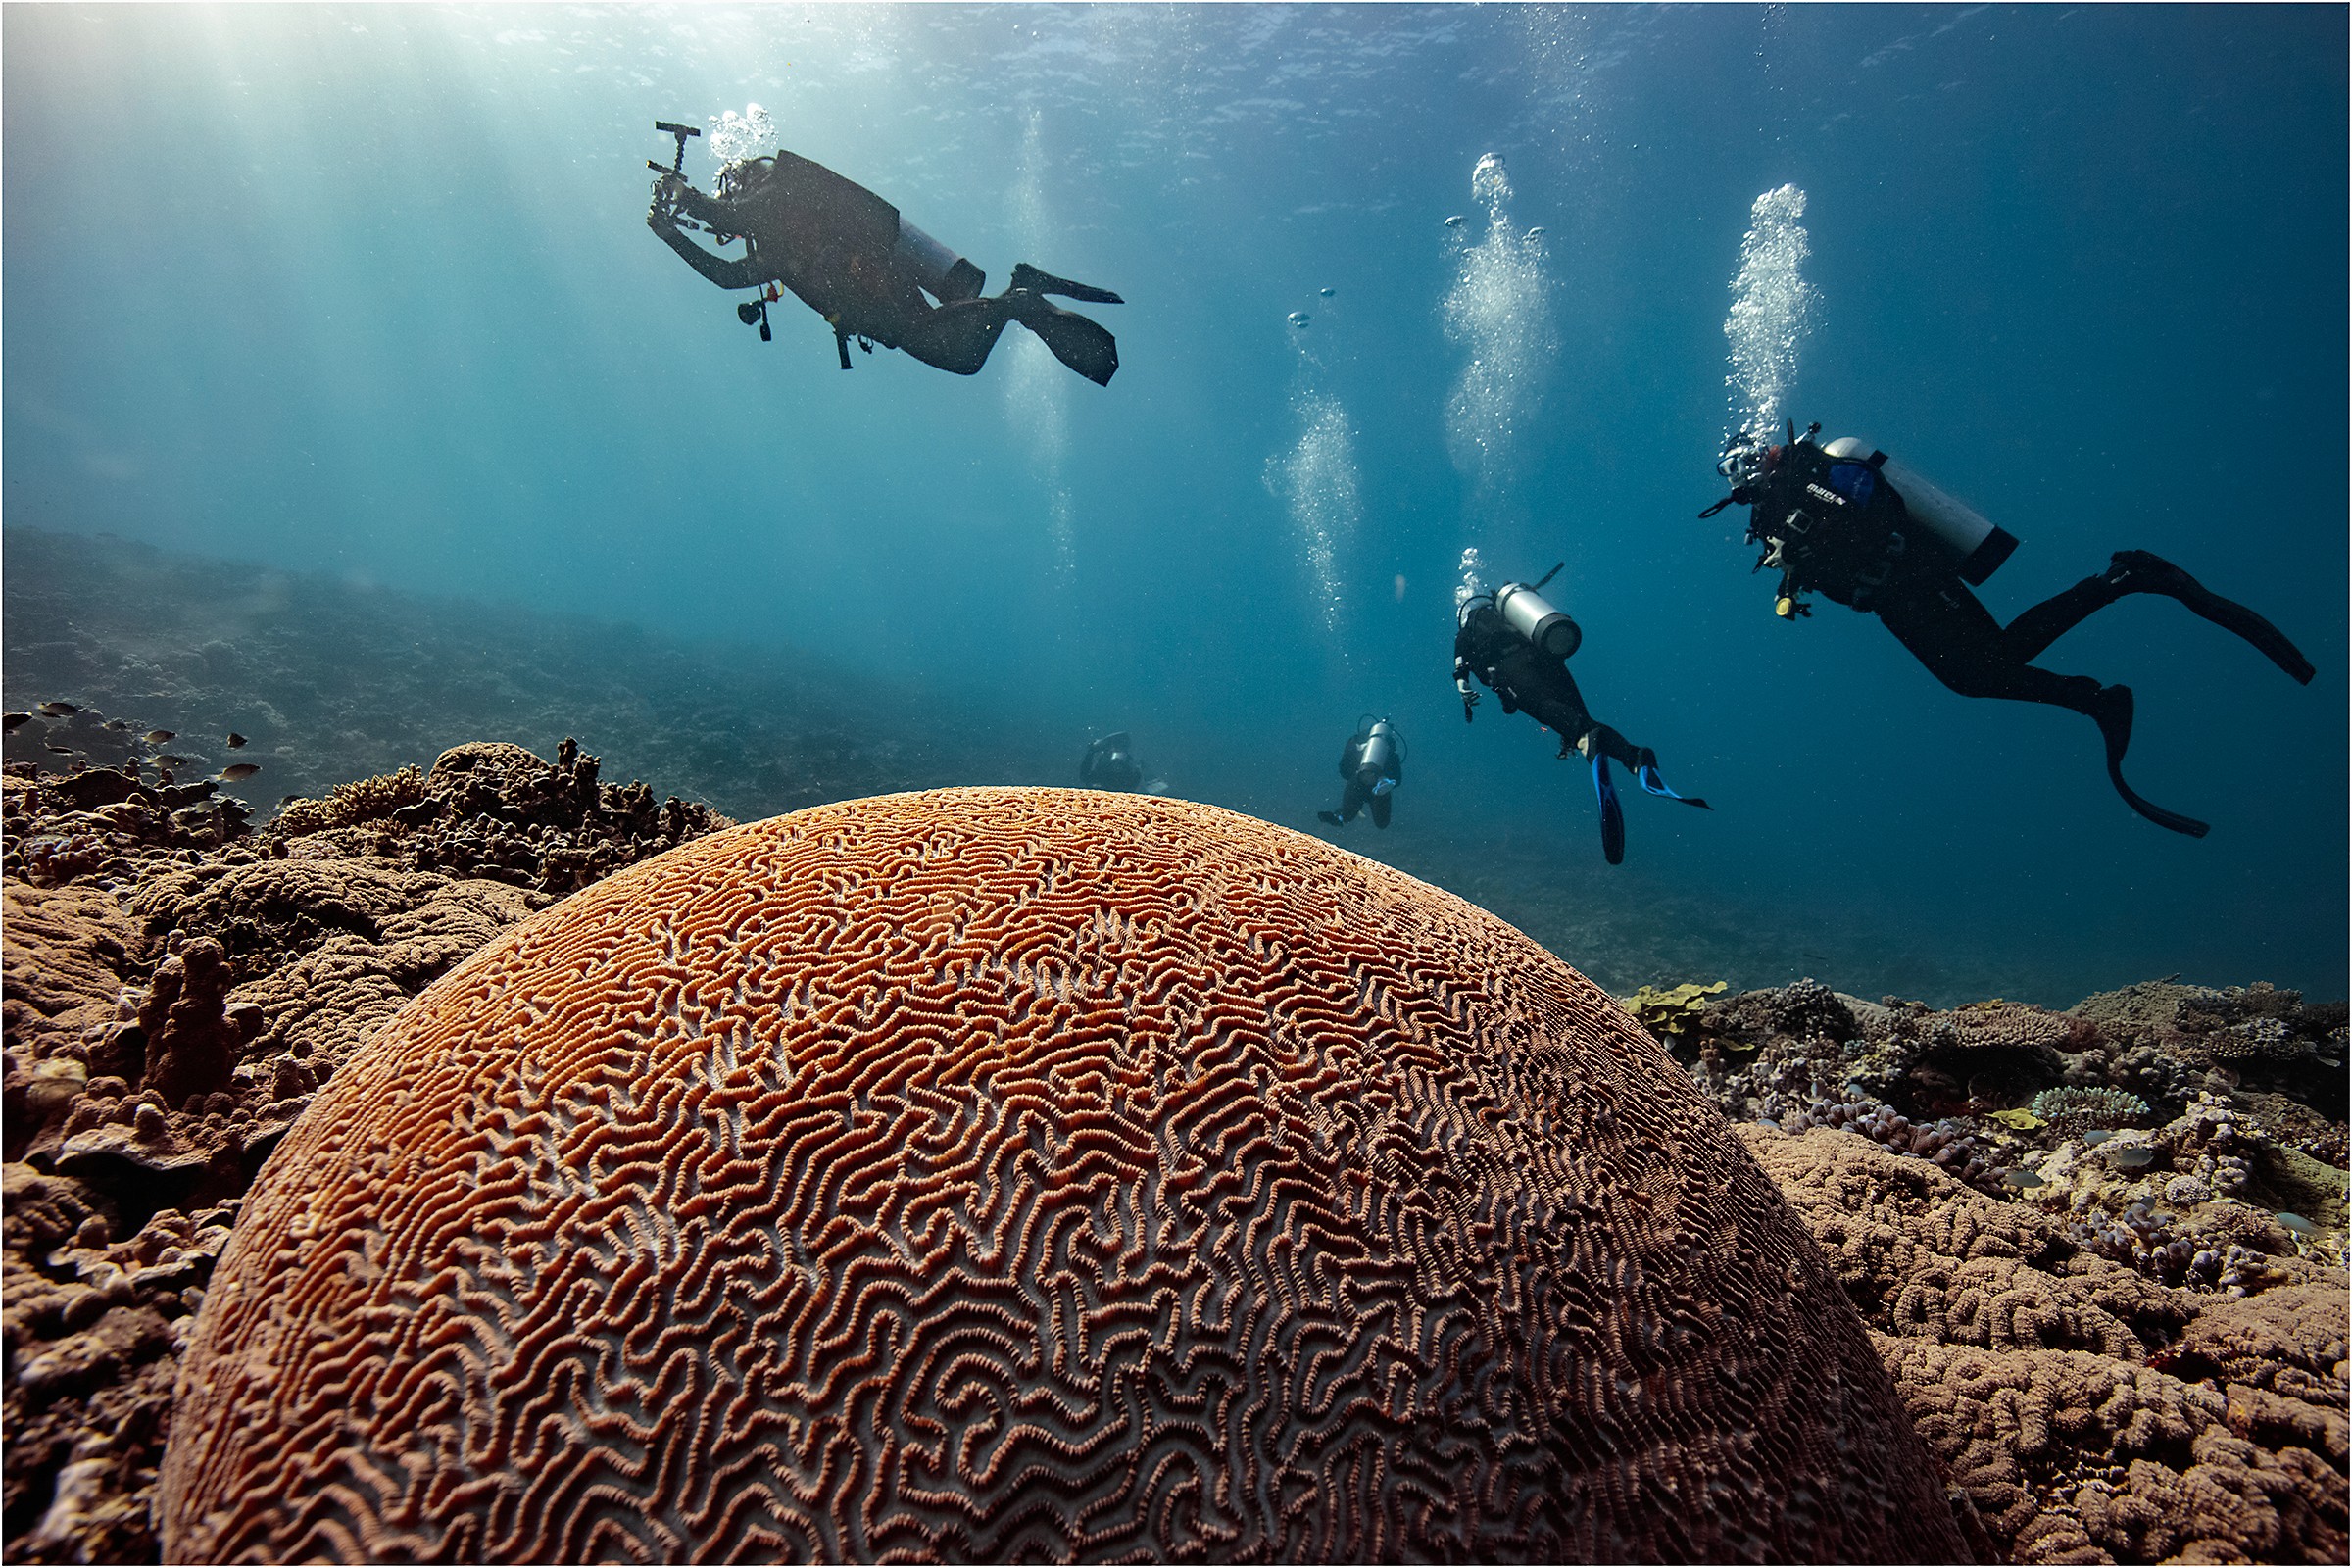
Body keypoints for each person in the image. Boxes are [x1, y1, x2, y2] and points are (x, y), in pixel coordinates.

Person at [1703, 423, 2316, 838]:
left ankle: (2123, 583)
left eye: (1748, 463)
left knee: (1994, 659)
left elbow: (1867, 510)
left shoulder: (1816, 473)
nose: (1743, 478)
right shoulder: (1776, 511)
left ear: (1769, 453)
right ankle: (2094, 695)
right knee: (1974, 679)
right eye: (1736, 473)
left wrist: (1808, 503)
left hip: (1915, 577)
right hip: (1895, 602)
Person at [647, 130, 1121, 384]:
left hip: (896, 313)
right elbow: (727, 276)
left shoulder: (779, 200)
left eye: (733, 190)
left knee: (964, 359)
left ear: (747, 181)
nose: (733, 204)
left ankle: (1022, 298)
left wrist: (684, 203)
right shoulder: (779, 252)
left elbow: (729, 220)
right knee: (965, 360)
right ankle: (1019, 294)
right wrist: (672, 234)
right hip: (893, 317)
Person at [1455, 566, 1710, 864]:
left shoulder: (1468, 628)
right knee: (1583, 721)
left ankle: (1586, 740)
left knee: (1545, 710)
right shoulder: (1510, 617)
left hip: (1515, 669)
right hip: (1546, 656)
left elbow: (1461, 665)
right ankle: (1635, 756)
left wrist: (1463, 685)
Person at [1317, 716, 1404, 829]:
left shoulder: (1356, 741)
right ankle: (1381, 794)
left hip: (1358, 781)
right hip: (1379, 785)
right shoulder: (1389, 749)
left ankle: (1339, 816)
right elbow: (1397, 779)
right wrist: (1385, 782)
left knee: (1347, 815)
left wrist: (1355, 775)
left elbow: (1343, 769)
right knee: (1382, 823)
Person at [1079, 732, 1145, 792]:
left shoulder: (1132, 766)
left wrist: (1091, 752)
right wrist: (1091, 752)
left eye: (1120, 745)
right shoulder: (1103, 764)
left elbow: (1085, 777)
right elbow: (1085, 777)